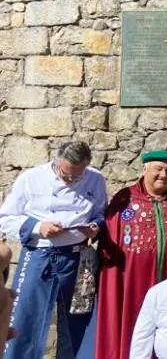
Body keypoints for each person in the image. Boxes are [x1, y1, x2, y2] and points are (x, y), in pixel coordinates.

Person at [0, 142, 105, 359]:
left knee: (77, 319)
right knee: (26, 316)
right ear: (56, 162)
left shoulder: (96, 179)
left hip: (77, 257)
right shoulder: (31, 179)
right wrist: (39, 227)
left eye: (77, 176)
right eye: (66, 174)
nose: (71, 180)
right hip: (39, 255)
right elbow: (5, 219)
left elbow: (101, 213)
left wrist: (95, 227)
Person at [96, 149, 167, 359]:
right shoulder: (125, 198)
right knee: (134, 329)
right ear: (145, 168)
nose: (164, 174)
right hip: (132, 282)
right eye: (159, 169)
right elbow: (111, 239)